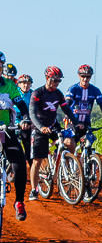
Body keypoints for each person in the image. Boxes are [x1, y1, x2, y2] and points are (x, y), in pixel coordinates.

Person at [28, 66, 77, 201]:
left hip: (53, 125)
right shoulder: (38, 93)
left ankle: (64, 164)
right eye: (54, 80)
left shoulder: (58, 94)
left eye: (58, 81)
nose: (56, 83)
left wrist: (76, 122)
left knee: (69, 142)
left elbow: (66, 109)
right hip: (39, 128)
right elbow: (32, 113)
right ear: (47, 78)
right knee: (37, 160)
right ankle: (33, 189)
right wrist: (41, 127)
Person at [0, 65, 31, 220]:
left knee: (19, 164)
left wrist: (25, 117)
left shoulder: (9, 85)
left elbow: (21, 104)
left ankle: (19, 202)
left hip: (7, 130)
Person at [64, 64, 102, 150]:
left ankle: (87, 160)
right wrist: (67, 116)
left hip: (86, 123)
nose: (85, 79)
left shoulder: (95, 90)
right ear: (79, 76)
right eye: (83, 76)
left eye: (88, 77)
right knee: (70, 145)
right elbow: (67, 103)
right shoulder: (73, 89)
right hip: (73, 121)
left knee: (87, 145)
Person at [14, 74, 33, 159]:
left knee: (28, 145)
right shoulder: (14, 92)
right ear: (18, 84)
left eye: (28, 83)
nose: (26, 85)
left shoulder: (33, 94)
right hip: (14, 121)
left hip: (27, 123)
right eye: (23, 83)